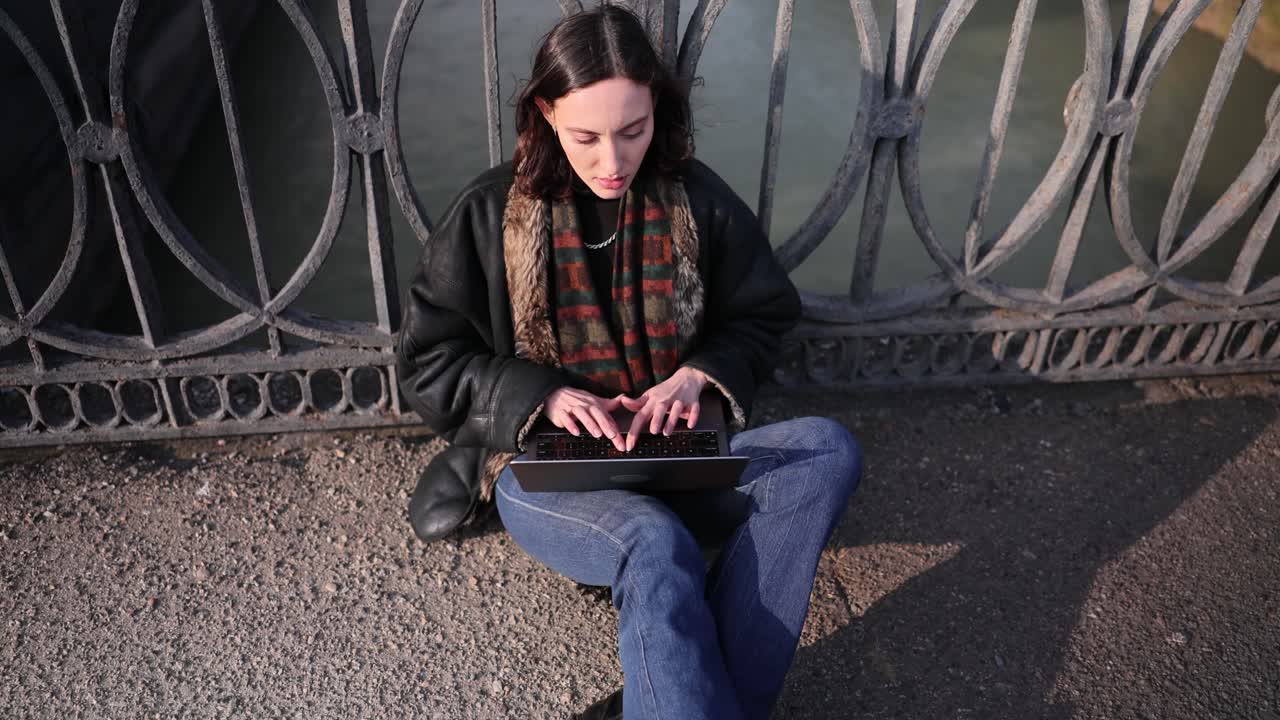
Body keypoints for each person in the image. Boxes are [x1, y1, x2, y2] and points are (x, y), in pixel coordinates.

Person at [395, 6, 862, 719]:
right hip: (546, 470)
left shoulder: (698, 200)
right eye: (585, 136)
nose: (612, 163)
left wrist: (699, 374)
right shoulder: (489, 213)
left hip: (678, 454)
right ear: (547, 113)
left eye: (633, 131)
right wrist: (540, 396)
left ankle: (671, 696)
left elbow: (763, 314)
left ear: (659, 112)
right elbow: (428, 362)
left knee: (827, 451)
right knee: (655, 542)